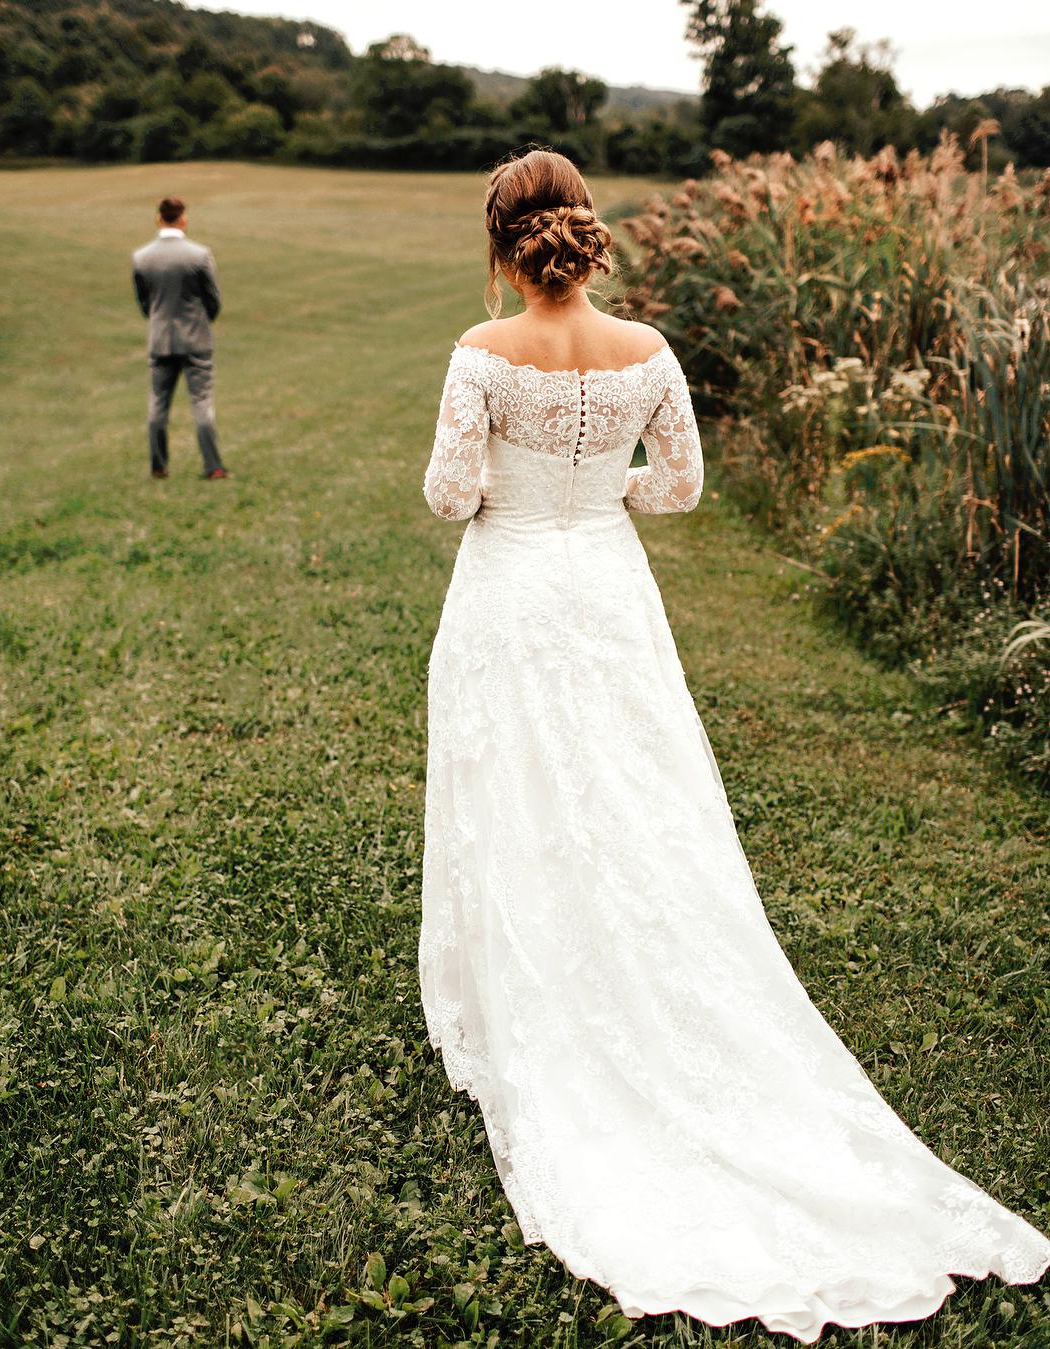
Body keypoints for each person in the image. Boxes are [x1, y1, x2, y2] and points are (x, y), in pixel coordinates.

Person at [417, 148, 1049, 1343]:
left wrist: (519, 484)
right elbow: (684, 487)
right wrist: (595, 497)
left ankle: (527, 992)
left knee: (517, 788)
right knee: (635, 797)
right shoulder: (649, 351)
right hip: (605, 587)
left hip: (509, 592)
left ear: (505, 243)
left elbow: (451, 496)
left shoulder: (478, 354)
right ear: (585, 234)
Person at [132, 196, 227, 480]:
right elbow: (214, 300)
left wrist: (158, 321)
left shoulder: (141, 257)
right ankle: (214, 467)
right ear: (183, 219)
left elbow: (143, 301)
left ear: (159, 218)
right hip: (196, 338)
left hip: (160, 339)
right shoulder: (199, 255)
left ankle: (159, 466)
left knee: (158, 405)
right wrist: (201, 321)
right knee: (201, 403)